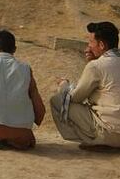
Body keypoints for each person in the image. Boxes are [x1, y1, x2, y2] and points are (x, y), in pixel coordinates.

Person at [50, 21, 120, 149]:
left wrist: (64, 85)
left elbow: (76, 97)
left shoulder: (96, 66)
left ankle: (95, 141)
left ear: (102, 45)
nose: (88, 47)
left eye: (90, 43)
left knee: (58, 100)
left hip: (111, 132)